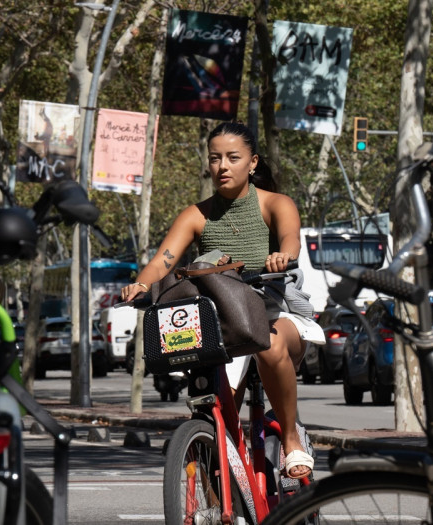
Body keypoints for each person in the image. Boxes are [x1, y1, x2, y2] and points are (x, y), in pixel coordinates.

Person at [120, 121, 315, 479]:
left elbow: (291, 240)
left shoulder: (276, 204)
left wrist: (282, 257)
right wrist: (140, 285)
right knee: (215, 424)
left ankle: (291, 439)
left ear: (252, 163)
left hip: (274, 311)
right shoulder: (196, 215)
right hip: (223, 321)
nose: (222, 166)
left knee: (268, 346)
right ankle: (218, 488)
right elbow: (163, 260)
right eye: (215, 158)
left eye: (232, 157)